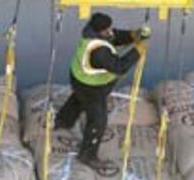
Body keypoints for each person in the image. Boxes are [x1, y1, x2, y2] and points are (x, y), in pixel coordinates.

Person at [55, 12, 151, 165]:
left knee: (78, 99)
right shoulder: (99, 52)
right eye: (107, 30)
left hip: (79, 79)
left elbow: (115, 36)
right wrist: (138, 50)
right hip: (91, 88)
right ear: (100, 31)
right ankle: (87, 155)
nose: (110, 31)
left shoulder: (92, 34)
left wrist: (134, 35)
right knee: (97, 121)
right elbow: (119, 66)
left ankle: (62, 121)